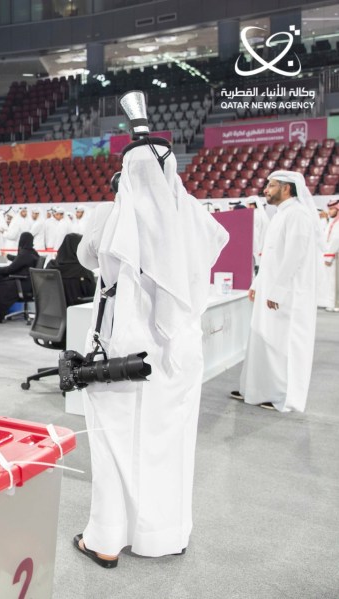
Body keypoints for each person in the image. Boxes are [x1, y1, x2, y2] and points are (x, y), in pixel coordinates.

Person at [74, 134, 228, 567]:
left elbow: (88, 257)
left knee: (113, 447)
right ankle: (163, 535)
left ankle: (105, 539)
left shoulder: (114, 214)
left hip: (123, 354)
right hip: (178, 351)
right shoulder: (193, 214)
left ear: (125, 173)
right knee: (169, 446)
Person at [232, 171, 319, 412]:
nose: (266, 190)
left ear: (287, 189)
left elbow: (294, 256)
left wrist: (277, 291)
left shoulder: (298, 215)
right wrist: (256, 285)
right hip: (270, 292)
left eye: (272, 186)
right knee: (264, 339)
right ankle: (257, 389)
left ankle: (282, 396)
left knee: (282, 344)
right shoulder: (280, 215)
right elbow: (269, 257)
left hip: (288, 295)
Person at [46, 232, 95, 306]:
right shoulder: (82, 270)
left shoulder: (51, 266)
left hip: (51, 311)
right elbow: (92, 294)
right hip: (76, 311)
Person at [316, 198, 339, 311]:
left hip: (334, 257)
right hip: (329, 255)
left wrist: (329, 256)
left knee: (333, 281)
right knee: (329, 280)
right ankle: (329, 302)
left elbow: (335, 240)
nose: (329, 212)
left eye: (332, 209)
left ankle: (333, 303)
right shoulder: (332, 222)